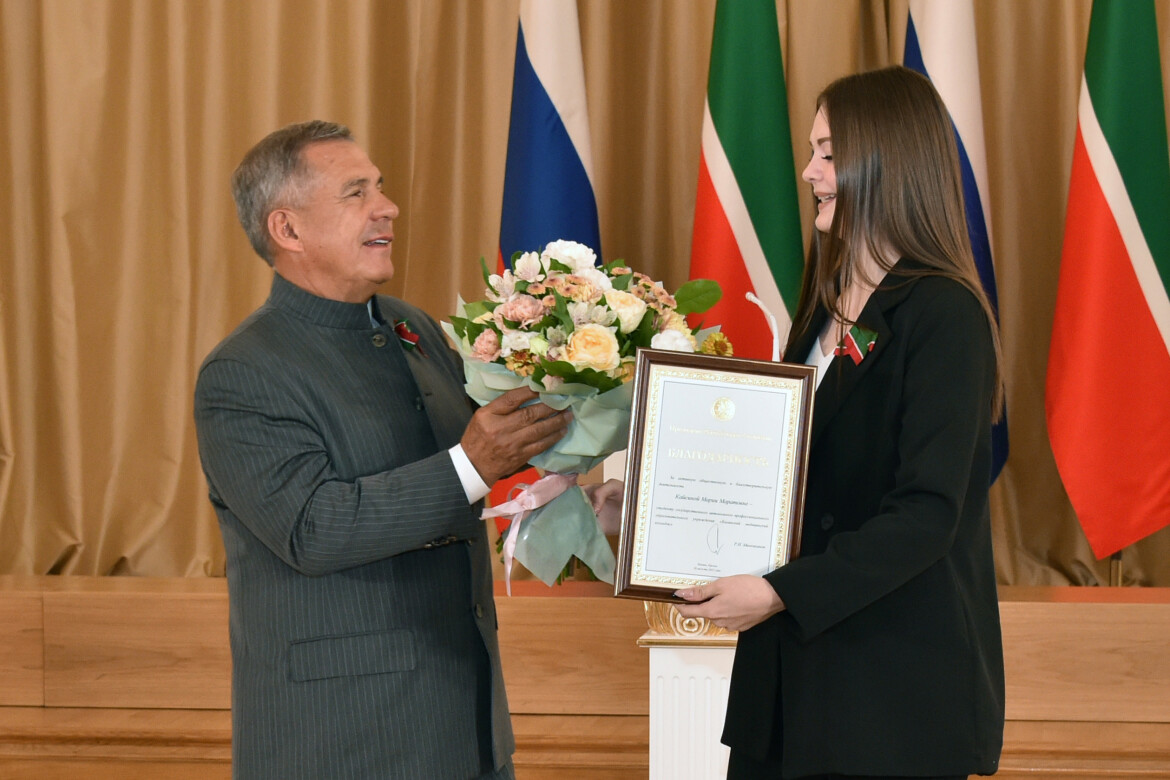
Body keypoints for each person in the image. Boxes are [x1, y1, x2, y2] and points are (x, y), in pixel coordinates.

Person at [194, 120, 570, 779]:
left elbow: (487, 466)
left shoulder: (410, 326)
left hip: (468, 727)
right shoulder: (243, 371)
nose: (388, 208)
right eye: (356, 193)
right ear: (288, 229)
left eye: (381, 188)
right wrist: (472, 465)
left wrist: (576, 489)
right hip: (342, 743)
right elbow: (312, 529)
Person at [674, 66, 1006, 779]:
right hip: (786, 694)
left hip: (886, 703)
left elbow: (926, 514)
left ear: (887, 160)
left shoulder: (945, 315)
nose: (808, 172)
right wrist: (652, 501)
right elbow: (784, 481)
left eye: (827, 152)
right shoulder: (823, 309)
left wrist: (778, 592)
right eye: (812, 152)